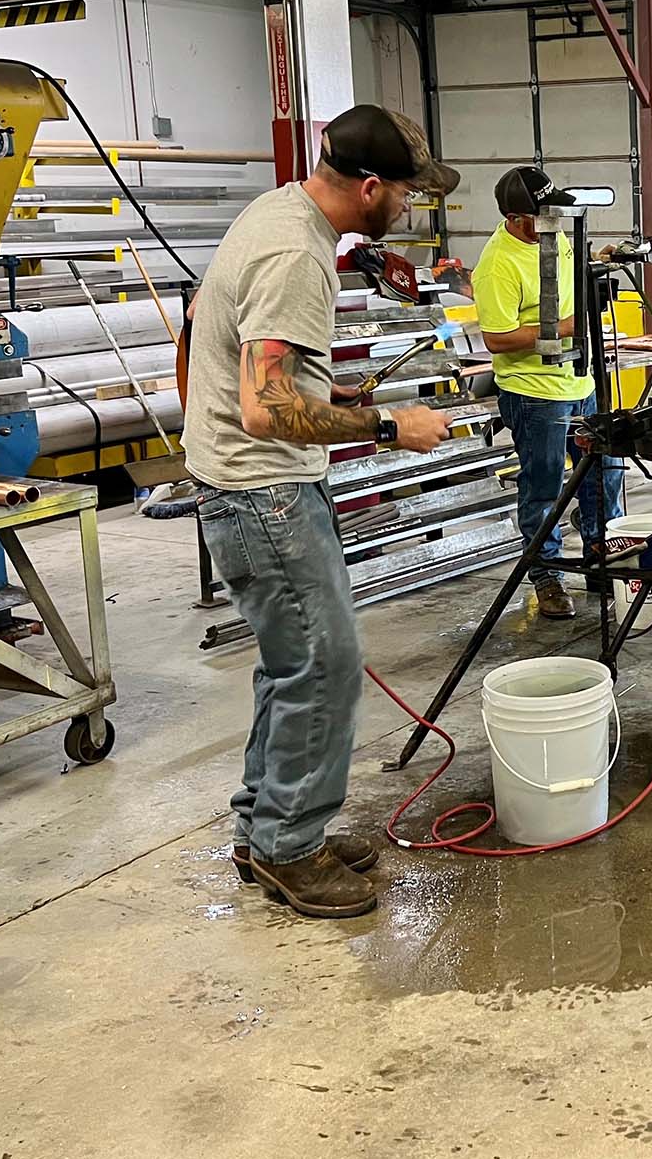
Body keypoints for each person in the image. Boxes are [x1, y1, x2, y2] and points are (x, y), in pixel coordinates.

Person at [185, 105, 460, 919]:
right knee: (327, 666)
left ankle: (268, 829)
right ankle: (291, 851)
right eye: (407, 194)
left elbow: (220, 329)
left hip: (248, 483)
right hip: (261, 488)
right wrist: (387, 425)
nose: (409, 208)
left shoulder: (278, 210)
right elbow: (265, 411)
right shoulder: (298, 255)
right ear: (370, 187)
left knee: (293, 665)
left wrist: (321, 390)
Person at [473, 166, 625, 620]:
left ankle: (602, 552)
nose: (554, 220)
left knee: (604, 471)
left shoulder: (554, 236)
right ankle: (546, 573)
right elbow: (496, 338)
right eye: (545, 213)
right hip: (534, 392)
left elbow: (571, 269)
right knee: (544, 486)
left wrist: (601, 257)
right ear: (519, 218)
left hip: (581, 382)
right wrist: (560, 330)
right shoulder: (497, 265)